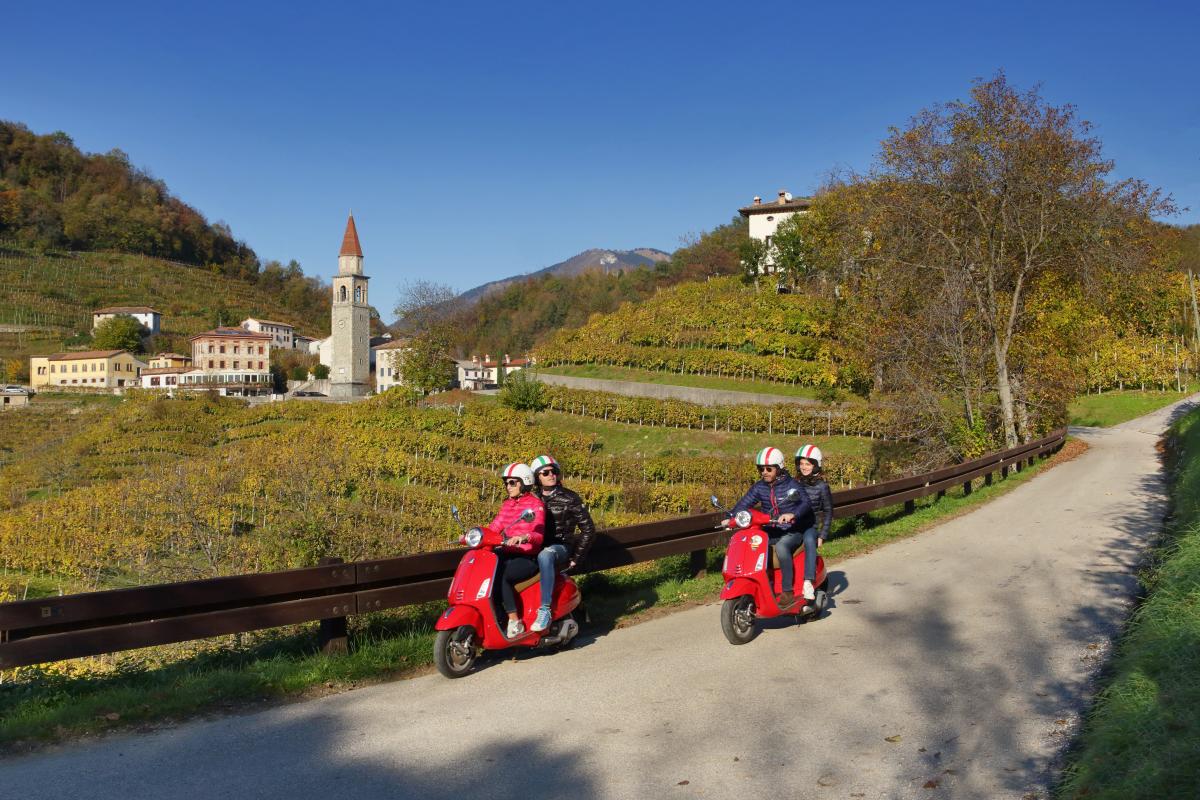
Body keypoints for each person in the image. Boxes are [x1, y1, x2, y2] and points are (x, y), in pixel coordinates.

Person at [730, 446, 814, 608]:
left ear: (779, 468)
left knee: (782, 547)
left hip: (791, 530)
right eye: (761, 469)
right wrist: (730, 517)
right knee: (752, 547)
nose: (764, 472)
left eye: (769, 468)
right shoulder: (759, 487)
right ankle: (761, 586)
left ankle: (787, 592)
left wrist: (792, 515)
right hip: (769, 530)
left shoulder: (792, 485)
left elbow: (806, 503)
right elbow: (744, 503)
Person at [528, 454, 596, 632]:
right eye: (545, 473)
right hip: (536, 546)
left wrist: (576, 558)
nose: (551, 475)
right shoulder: (532, 498)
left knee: (545, 555)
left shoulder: (570, 498)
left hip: (561, 547)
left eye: (554, 471)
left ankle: (545, 610)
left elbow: (588, 529)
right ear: (537, 477)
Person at [488, 462, 546, 638]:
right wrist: (476, 535)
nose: (508, 486)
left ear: (523, 482)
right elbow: (496, 525)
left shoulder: (535, 505)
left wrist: (525, 537)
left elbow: (538, 535)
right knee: (487, 574)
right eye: (506, 483)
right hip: (507, 553)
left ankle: (515, 622)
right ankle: (496, 615)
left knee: (504, 575)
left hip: (527, 556)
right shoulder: (507, 505)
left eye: (512, 482)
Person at [793, 444, 833, 602]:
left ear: (816, 465)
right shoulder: (794, 483)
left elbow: (829, 511)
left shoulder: (822, 487)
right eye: (801, 464)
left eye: (808, 464)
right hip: (794, 525)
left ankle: (808, 581)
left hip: (811, 526)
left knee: (810, 541)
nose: (804, 467)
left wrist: (822, 534)